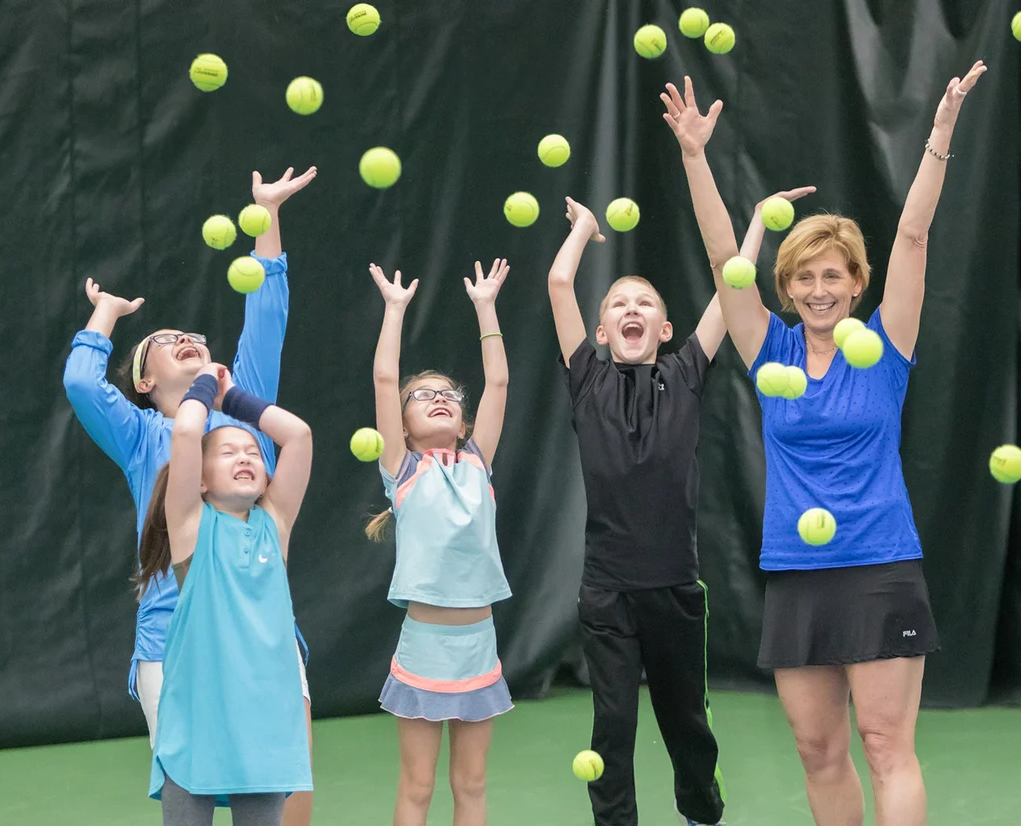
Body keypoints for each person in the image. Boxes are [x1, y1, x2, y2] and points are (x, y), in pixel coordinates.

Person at [660, 62, 985, 826]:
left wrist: (940, 134)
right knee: (818, 751)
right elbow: (719, 260)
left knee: (884, 745)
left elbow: (913, 233)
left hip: (879, 566)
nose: (817, 289)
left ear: (856, 282)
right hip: (797, 572)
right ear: (785, 284)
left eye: (832, 275)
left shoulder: (887, 345)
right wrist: (695, 157)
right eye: (803, 276)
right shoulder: (766, 348)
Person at [61, 167, 317, 824]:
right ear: (145, 380)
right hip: (171, 636)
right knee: (191, 786)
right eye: (166, 344)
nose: (185, 340)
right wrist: (108, 314)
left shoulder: (243, 414)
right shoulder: (142, 434)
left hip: (260, 630)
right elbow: (84, 384)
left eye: (193, 340)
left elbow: (267, 313)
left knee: (286, 788)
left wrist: (266, 218)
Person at [549, 186, 807, 826]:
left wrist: (752, 229)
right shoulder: (586, 376)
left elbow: (732, 288)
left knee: (686, 720)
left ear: (664, 330)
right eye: (618, 305)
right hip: (606, 592)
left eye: (644, 305)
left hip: (673, 591)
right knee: (611, 724)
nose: (630, 311)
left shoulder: (688, 370)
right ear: (603, 328)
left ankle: (701, 815)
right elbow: (560, 283)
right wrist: (582, 229)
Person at [364, 260, 514, 826]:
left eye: (449, 394)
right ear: (399, 425)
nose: (440, 398)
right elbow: (384, 379)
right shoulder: (401, 469)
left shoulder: (478, 462)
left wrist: (485, 308)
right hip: (423, 647)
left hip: (480, 646)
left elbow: (497, 381)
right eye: (423, 395)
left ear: (464, 420)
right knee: (419, 786)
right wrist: (395, 310)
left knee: (471, 786)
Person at [138, 363, 314, 826]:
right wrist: (202, 384)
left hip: (265, 726)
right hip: (197, 721)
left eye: (254, 452)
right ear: (199, 478)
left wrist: (232, 397)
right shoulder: (191, 525)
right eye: (228, 451)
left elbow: (298, 435)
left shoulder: (274, 525)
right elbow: (186, 433)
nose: (245, 458)